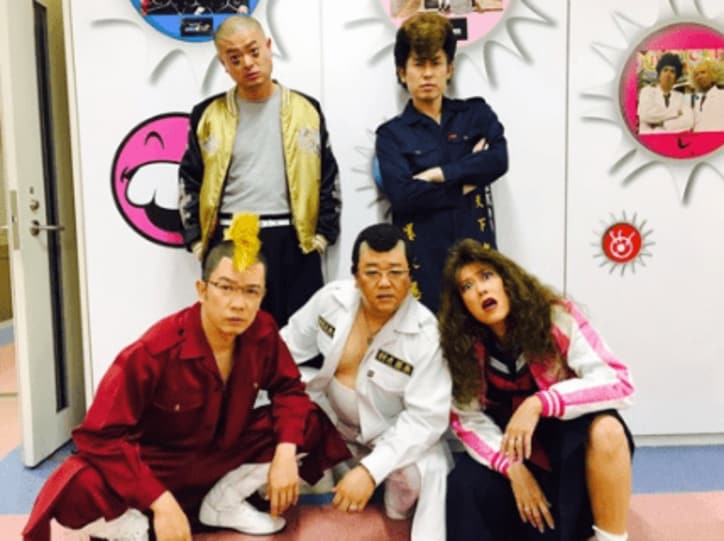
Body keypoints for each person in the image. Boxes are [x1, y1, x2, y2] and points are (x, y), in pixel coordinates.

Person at [22, 215, 350, 541]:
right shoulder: (155, 350)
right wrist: (159, 500)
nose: (238, 304)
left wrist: (285, 454)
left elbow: (288, 389)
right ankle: (133, 523)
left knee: (308, 422)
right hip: (161, 465)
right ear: (202, 290)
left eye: (251, 291)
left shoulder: (262, 331)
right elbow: (100, 436)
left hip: (223, 456)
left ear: (262, 296)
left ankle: (223, 502)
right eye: (226, 288)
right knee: (76, 485)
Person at [439, 239, 635, 541]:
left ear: (506, 280)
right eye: (467, 286)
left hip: (567, 446)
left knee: (607, 430)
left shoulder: (554, 316)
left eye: (486, 276)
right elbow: (466, 419)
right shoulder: (464, 347)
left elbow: (618, 382)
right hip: (513, 452)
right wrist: (513, 468)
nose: (480, 290)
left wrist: (539, 403)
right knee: (463, 483)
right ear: (462, 303)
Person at [280, 223, 452, 541]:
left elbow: (425, 419)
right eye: (372, 272)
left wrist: (371, 471)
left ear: (410, 276)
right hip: (333, 419)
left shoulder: (427, 335)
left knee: (412, 479)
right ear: (355, 276)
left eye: (395, 272)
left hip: (388, 436)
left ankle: (391, 520)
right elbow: (284, 349)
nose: (384, 283)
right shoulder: (331, 301)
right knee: (274, 406)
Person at [179, 15, 341, 327]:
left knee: (298, 335)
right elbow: (190, 180)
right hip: (232, 236)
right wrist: (198, 243)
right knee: (235, 332)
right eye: (234, 58)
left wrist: (322, 236)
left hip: (294, 239)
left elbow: (328, 177)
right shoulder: (208, 115)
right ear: (224, 64)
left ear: (268, 47)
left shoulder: (306, 109)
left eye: (254, 52)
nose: (248, 64)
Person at [375, 12, 508, 314]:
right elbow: (404, 197)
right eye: (418, 64)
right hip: (424, 263)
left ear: (449, 69)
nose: (427, 74)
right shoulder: (391, 135)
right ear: (402, 72)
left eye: (435, 63)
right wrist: (466, 181)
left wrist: (441, 173)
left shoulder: (475, 114)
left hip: (478, 257)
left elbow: (499, 160)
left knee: (484, 337)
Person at [637, 52, 693, 134]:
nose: (668, 74)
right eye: (665, 70)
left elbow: (689, 121)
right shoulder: (647, 91)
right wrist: (675, 113)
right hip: (649, 139)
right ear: (659, 73)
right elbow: (645, 114)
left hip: (672, 139)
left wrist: (663, 124)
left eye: (672, 71)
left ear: (676, 77)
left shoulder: (681, 97)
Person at [690, 58, 724, 133]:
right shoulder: (697, 100)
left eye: (703, 72)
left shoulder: (722, 95)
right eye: (696, 75)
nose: (699, 77)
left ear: (713, 74)